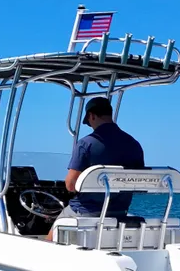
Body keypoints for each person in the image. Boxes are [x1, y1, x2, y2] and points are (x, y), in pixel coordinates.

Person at [47, 97, 145, 240]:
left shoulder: (86, 144)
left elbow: (70, 184)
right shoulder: (134, 144)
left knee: (51, 236)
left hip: (87, 210)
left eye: (90, 122)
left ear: (92, 115)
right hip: (120, 211)